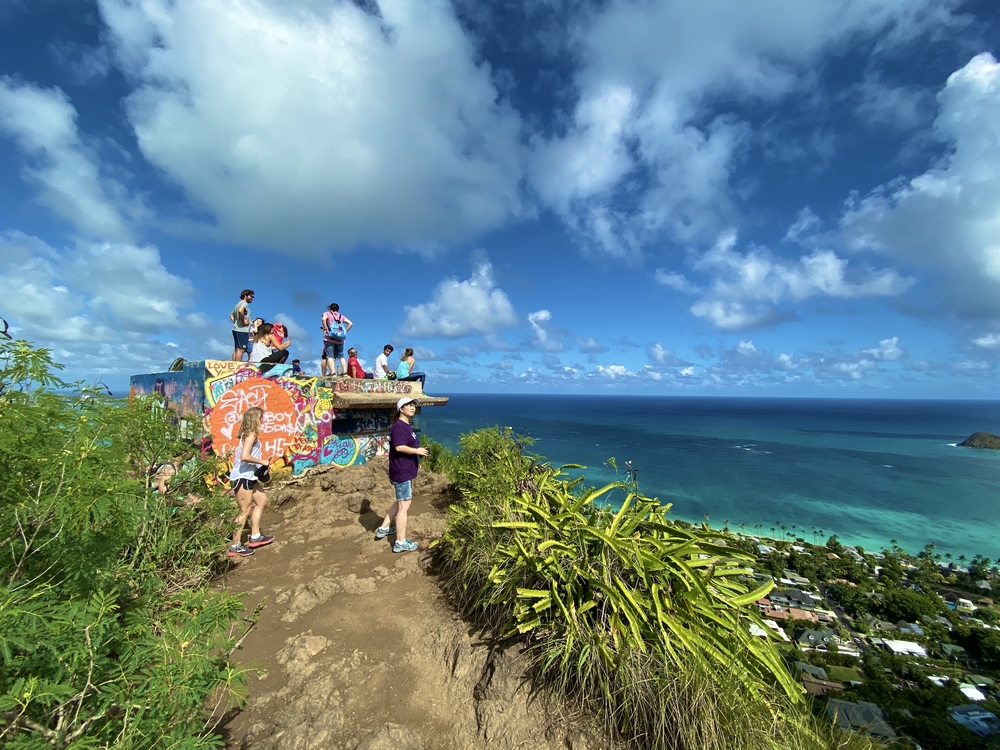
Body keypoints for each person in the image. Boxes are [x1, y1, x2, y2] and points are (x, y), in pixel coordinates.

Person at [374, 397, 428, 553]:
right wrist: (416, 451)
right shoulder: (399, 426)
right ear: (400, 409)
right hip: (401, 471)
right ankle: (400, 542)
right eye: (408, 405)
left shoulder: (406, 426)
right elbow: (399, 447)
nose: (412, 407)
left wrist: (419, 451)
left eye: (413, 405)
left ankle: (384, 528)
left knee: (400, 502)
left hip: (405, 469)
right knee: (405, 505)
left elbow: (407, 445)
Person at [228, 407, 275, 556]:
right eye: (261, 417)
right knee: (244, 510)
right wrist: (261, 461)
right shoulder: (250, 435)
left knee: (262, 500)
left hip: (250, 476)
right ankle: (235, 546)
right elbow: (244, 456)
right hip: (242, 477)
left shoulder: (249, 435)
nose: (263, 420)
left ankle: (255, 537)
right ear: (255, 418)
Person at [320, 303, 352, 377]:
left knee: (330, 356)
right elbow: (350, 323)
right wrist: (345, 332)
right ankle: (344, 372)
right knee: (341, 356)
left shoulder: (327, 313)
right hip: (340, 339)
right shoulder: (341, 316)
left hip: (330, 338)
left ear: (330, 308)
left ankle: (333, 372)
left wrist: (325, 328)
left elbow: (323, 319)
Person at [230, 289, 254, 361]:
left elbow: (231, 315)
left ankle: (234, 365)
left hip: (236, 329)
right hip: (242, 330)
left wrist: (236, 322)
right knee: (241, 349)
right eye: (251, 296)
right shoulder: (244, 304)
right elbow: (240, 310)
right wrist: (242, 321)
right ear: (245, 296)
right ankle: (237, 367)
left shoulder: (237, 304)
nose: (252, 298)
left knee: (237, 349)